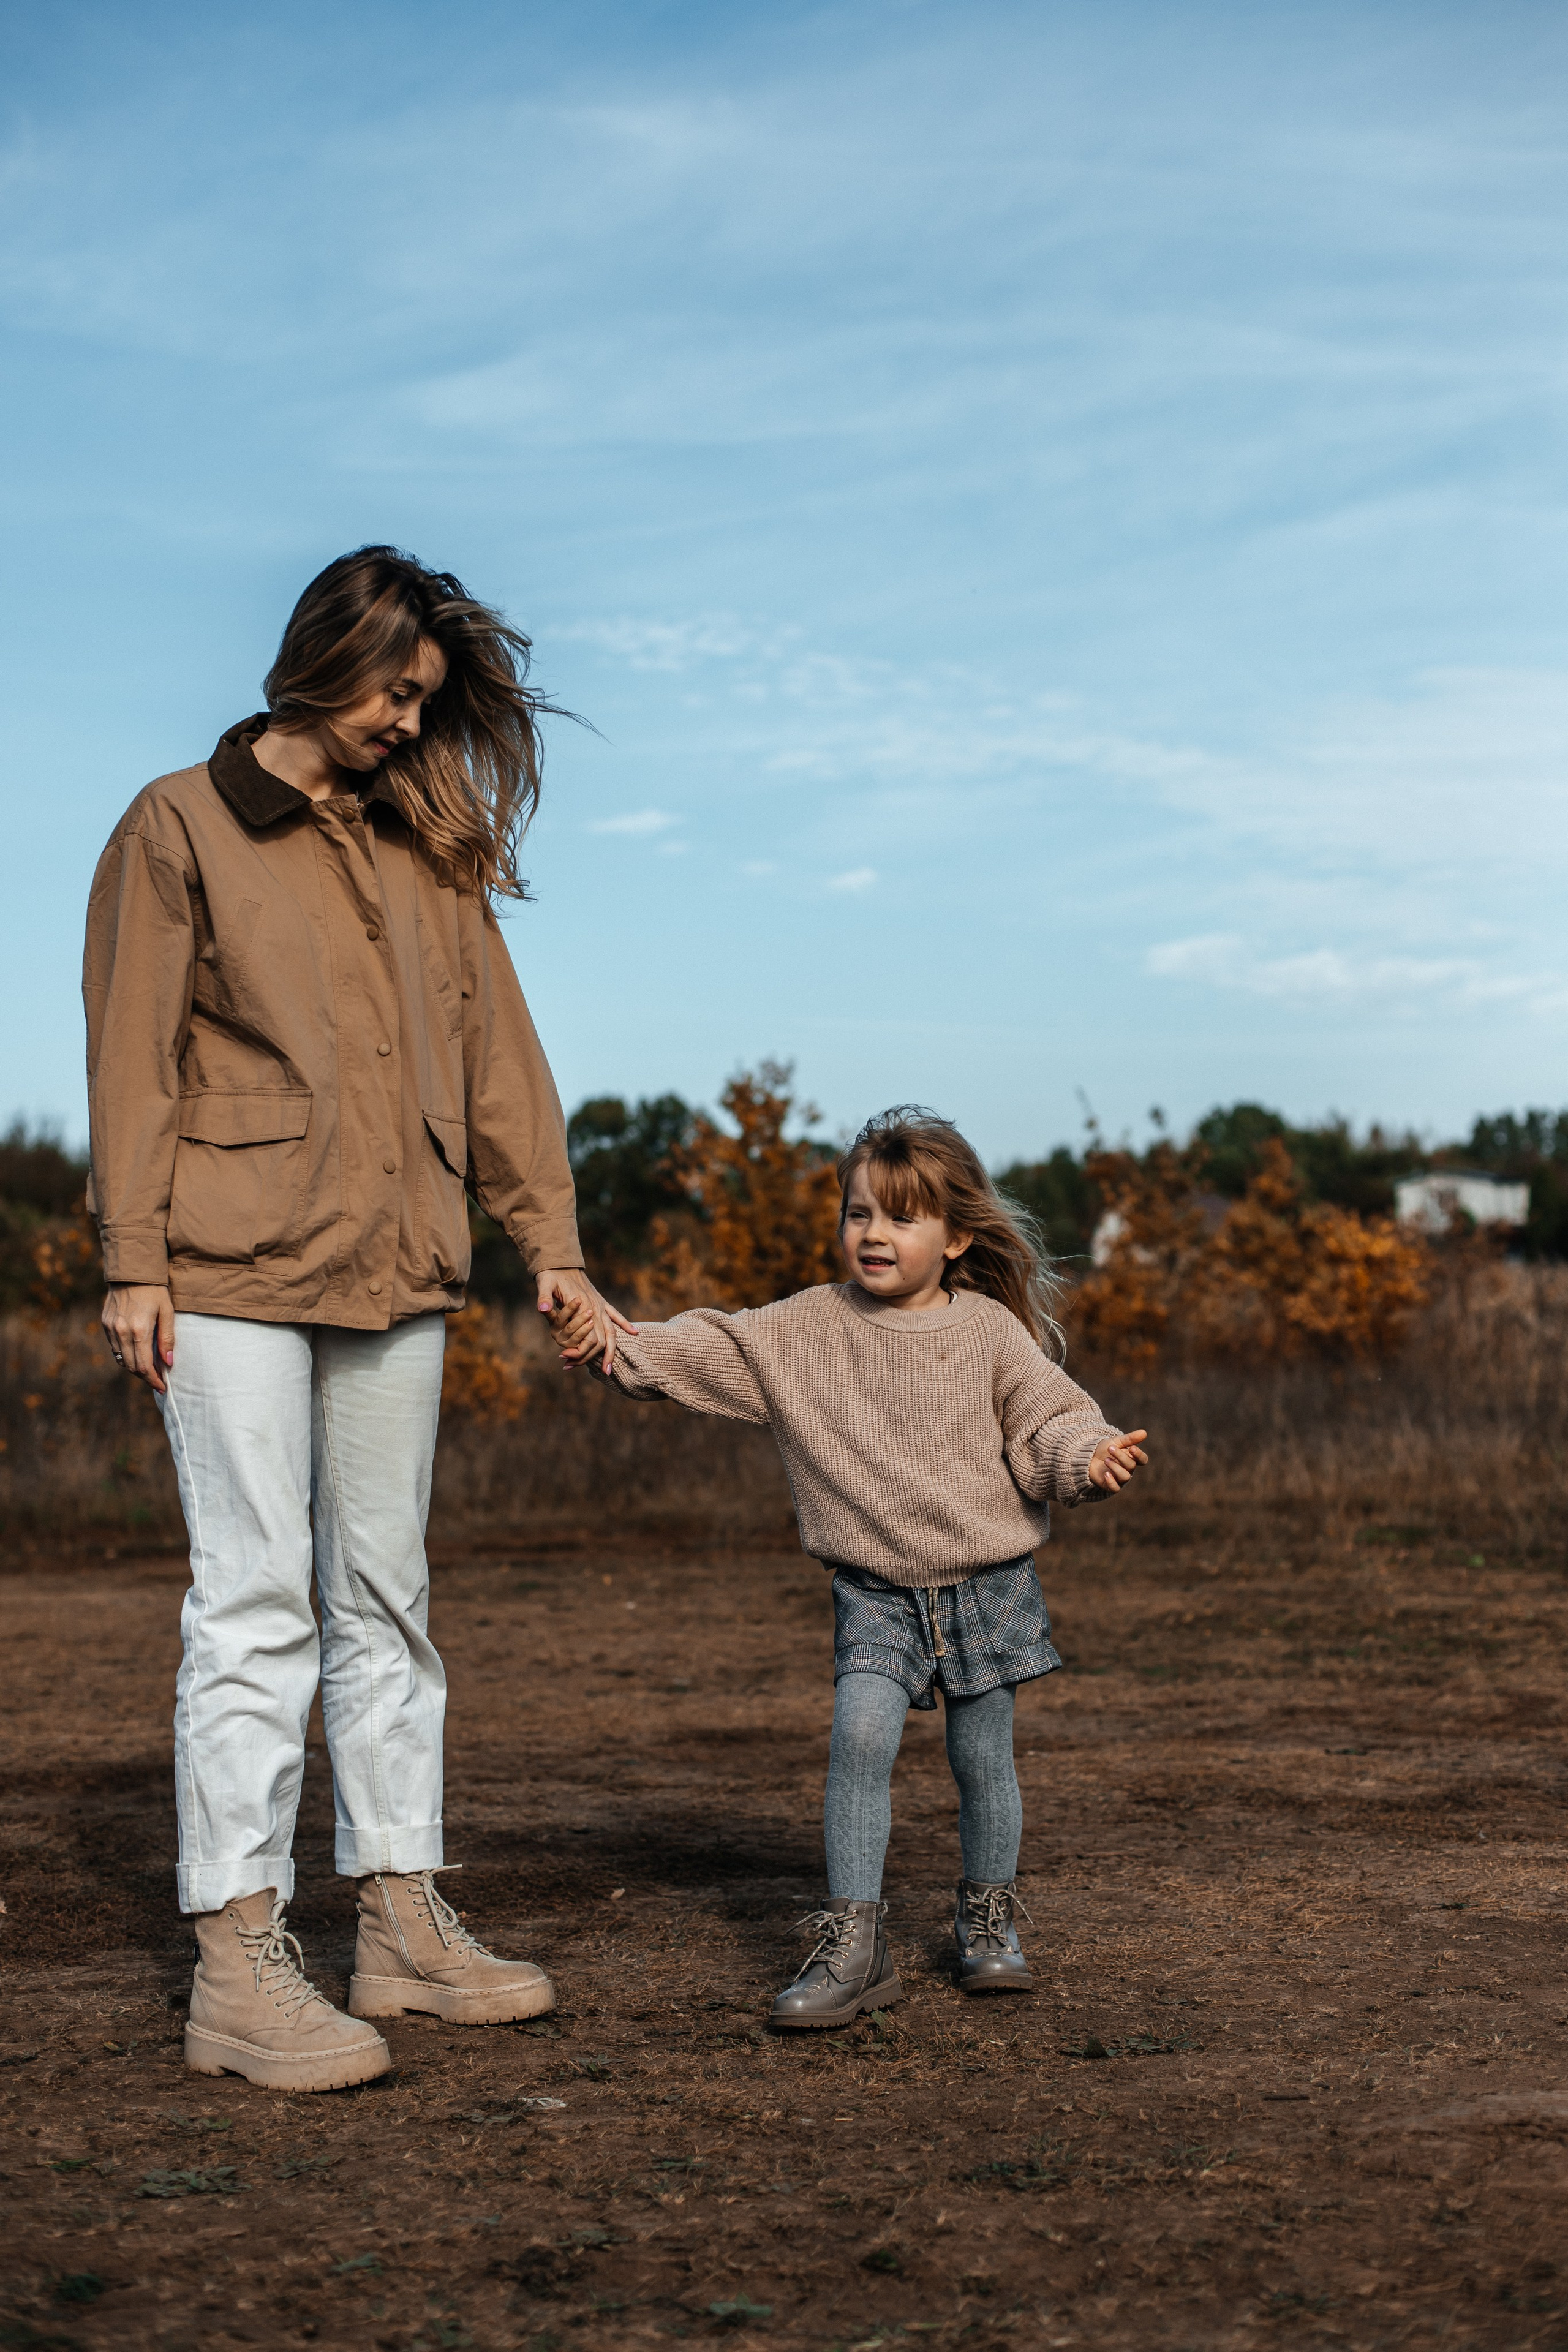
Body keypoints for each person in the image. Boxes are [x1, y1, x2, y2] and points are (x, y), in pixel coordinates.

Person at [85, 545, 628, 2091]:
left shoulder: (426, 850)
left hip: (400, 1263)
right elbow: (132, 1055)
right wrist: (134, 1254)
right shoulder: (178, 824)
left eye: (428, 702)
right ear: (328, 656)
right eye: (398, 691)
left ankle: (397, 1918)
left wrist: (555, 1242)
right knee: (251, 1603)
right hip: (228, 1266)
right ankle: (240, 1960)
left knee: (385, 1598)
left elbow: (501, 1060)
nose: (409, 723)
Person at [546, 1106, 1147, 2029]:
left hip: (988, 1586)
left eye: (902, 1218)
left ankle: (988, 1922)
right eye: (860, 1213)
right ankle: (855, 1948)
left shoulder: (986, 1331)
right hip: (874, 1592)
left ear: (953, 1239)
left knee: (983, 1761)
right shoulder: (806, 1328)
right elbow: (702, 1347)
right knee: (858, 1743)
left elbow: (1052, 1424)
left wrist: (1090, 1461)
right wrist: (610, 1341)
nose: (874, 1234)